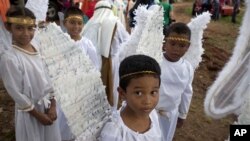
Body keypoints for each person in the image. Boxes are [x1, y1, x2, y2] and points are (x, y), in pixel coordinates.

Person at [0, 6, 61, 141]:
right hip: (30, 113)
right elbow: (16, 93)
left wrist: (53, 104)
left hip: (47, 107)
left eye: (30, 28)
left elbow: (50, 77)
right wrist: (38, 115)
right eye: (19, 28)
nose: (26, 33)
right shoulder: (9, 58)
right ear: (8, 27)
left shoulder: (37, 47)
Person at [99, 54, 163, 141]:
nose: (148, 101)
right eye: (138, 93)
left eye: (153, 92)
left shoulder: (153, 115)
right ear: (122, 93)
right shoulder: (114, 133)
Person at [82, 0, 129, 108]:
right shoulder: (116, 22)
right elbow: (127, 41)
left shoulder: (89, 24)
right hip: (112, 63)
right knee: (112, 91)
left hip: (93, 64)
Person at [156, 22, 194, 141]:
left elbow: (187, 92)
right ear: (164, 43)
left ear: (188, 47)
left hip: (171, 114)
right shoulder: (155, 61)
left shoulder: (187, 68)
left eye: (182, 45)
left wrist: (182, 114)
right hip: (151, 112)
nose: (176, 49)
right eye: (172, 44)